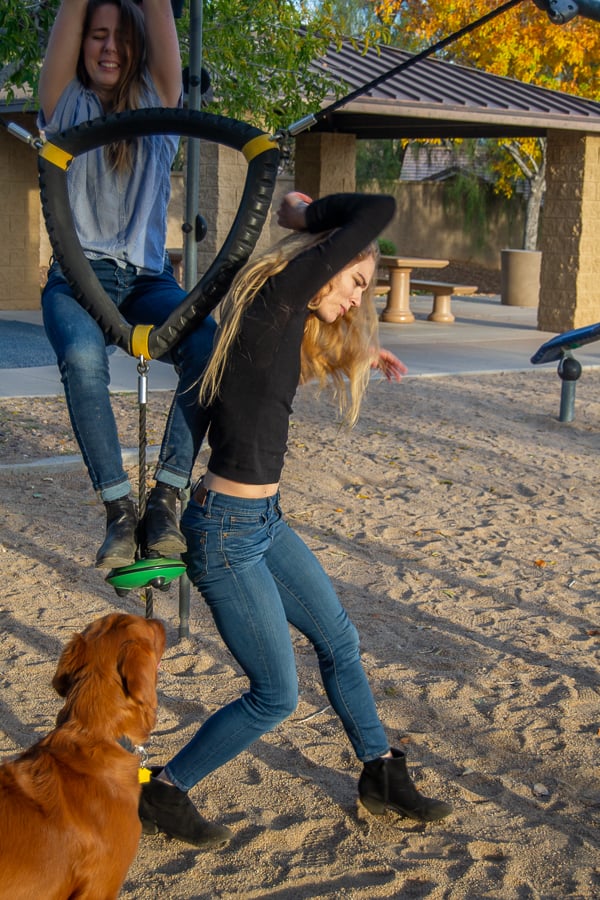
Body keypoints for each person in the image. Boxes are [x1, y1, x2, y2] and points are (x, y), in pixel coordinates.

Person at [138, 191, 453, 849]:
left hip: (263, 525)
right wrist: (307, 216)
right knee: (276, 694)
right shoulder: (279, 297)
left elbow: (263, 386)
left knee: (339, 641)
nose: (356, 301)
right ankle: (165, 790)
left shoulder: (275, 326)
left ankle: (380, 772)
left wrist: (356, 355)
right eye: (356, 283)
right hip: (223, 535)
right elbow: (378, 207)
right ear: (322, 264)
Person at [38, 0, 217, 569]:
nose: (108, 46)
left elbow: (159, 12)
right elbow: (72, 12)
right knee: (84, 357)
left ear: (138, 48)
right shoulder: (66, 107)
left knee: (206, 341)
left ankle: (165, 496)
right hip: (76, 280)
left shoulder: (159, 109)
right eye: (97, 35)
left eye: (120, 37)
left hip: (145, 280)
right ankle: (119, 511)